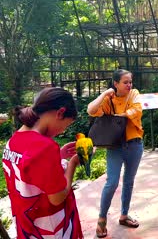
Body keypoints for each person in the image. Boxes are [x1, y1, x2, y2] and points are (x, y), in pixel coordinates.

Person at [2, 87, 83, 238]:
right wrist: (72, 163)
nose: (61, 131)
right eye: (65, 126)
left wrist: (59, 155)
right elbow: (57, 198)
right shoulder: (44, 146)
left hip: (27, 226)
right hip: (50, 228)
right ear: (60, 113)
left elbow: (30, 171)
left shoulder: (13, 141)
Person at [87, 69, 144, 238]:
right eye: (125, 82)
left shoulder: (133, 93)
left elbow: (137, 110)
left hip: (134, 144)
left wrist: (120, 116)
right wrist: (105, 93)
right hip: (115, 146)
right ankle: (102, 219)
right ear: (115, 83)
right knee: (111, 182)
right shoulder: (108, 99)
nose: (129, 85)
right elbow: (91, 110)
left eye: (130, 81)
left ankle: (124, 215)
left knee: (129, 181)